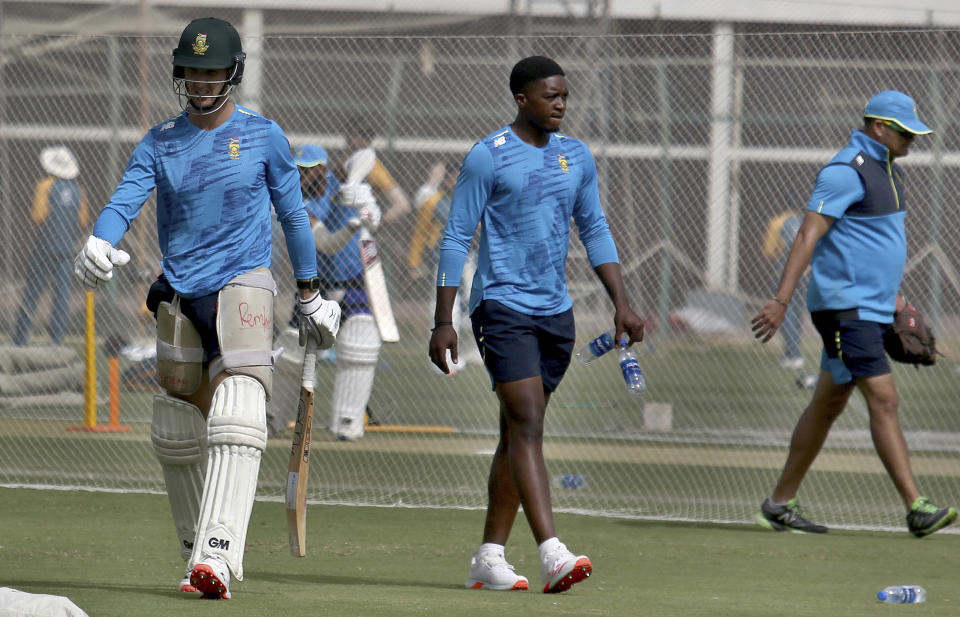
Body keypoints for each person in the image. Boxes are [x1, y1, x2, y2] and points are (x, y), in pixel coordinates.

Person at [72, 17, 341, 599]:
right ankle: (195, 553)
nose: (201, 81)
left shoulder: (264, 135)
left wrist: (310, 293)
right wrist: (99, 240)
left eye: (212, 70)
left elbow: (293, 217)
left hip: (242, 282)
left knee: (239, 411)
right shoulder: (159, 140)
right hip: (180, 287)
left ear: (233, 72)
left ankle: (219, 553)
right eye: (192, 71)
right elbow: (125, 200)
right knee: (174, 429)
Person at [428, 56, 645, 593]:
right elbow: (456, 238)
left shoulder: (577, 156)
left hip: (557, 314)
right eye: (551, 95)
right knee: (526, 420)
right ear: (521, 98)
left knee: (515, 432)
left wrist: (622, 301)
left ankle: (489, 557)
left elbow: (594, 228)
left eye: (565, 95)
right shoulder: (488, 157)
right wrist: (443, 320)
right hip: (501, 307)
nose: (562, 104)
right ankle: (553, 553)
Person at [750, 90, 956, 537]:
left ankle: (777, 504)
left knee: (828, 403)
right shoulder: (847, 170)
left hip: (870, 307)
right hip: (846, 310)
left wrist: (896, 300)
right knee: (884, 399)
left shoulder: (889, 171)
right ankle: (916, 507)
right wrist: (780, 300)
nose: (912, 140)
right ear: (879, 127)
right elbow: (806, 234)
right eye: (905, 132)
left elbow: (874, 244)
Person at [293, 143, 385, 441]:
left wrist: (359, 194)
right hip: (316, 283)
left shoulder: (341, 181)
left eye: (308, 170)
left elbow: (367, 155)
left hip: (356, 277)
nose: (302, 176)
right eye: (299, 170)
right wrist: (351, 227)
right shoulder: (296, 202)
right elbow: (326, 243)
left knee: (360, 341)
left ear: (322, 169)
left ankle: (347, 423)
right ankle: (273, 417)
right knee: (294, 351)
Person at [11, 146, 89, 347]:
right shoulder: (80, 191)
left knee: (33, 292)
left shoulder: (45, 186)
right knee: (61, 296)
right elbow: (83, 221)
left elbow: (38, 215)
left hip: (44, 248)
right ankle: (56, 340)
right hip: (65, 250)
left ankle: (20, 339)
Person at [761, 209, 808, 369]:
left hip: (783, 271)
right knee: (798, 311)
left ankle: (792, 353)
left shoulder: (777, 222)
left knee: (785, 311)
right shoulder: (806, 220)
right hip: (806, 270)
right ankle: (795, 351)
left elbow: (769, 251)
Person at [342, 118, 411, 225]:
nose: (350, 139)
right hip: (338, 220)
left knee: (365, 240)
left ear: (368, 140)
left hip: (358, 225)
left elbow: (402, 204)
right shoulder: (346, 160)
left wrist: (378, 223)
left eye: (356, 135)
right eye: (350, 134)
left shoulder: (372, 167)